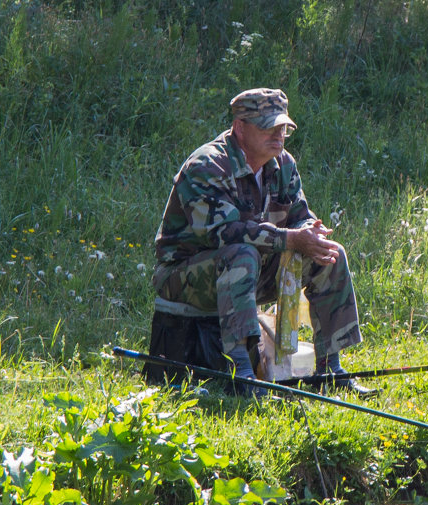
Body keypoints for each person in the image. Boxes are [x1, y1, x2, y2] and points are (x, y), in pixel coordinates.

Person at [149, 87, 377, 397]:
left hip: (242, 273)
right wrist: (291, 238)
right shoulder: (208, 166)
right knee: (241, 254)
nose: (278, 135)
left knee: (329, 253)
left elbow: (299, 215)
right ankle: (242, 373)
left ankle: (330, 369)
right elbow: (222, 233)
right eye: (268, 127)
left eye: (282, 127)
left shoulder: (282, 163)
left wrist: (311, 233)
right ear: (240, 128)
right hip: (185, 277)